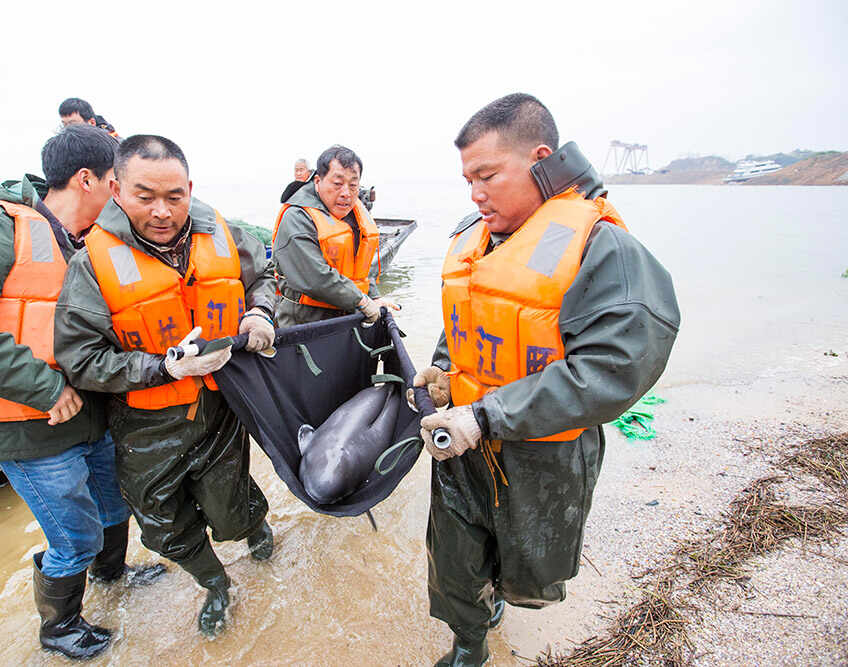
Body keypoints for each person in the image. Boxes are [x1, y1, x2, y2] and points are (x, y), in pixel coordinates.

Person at [413, 93, 681, 666]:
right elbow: (465, 318)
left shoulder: (602, 247)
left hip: (542, 457)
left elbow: (611, 368)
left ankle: (503, 601)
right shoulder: (472, 235)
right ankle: (469, 643)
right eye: (468, 180)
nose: (475, 193)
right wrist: (441, 372)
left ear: (540, 160)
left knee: (527, 570)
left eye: (487, 176)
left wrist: (487, 416)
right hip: (461, 444)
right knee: (454, 558)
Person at [0, 124, 164, 661]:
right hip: (26, 423)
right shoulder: (1, 227)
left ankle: (113, 577)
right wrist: (42, 387)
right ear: (88, 179)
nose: (123, 197)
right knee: (74, 535)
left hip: (90, 416)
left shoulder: (92, 238)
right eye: (117, 183)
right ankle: (60, 627)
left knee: (114, 505)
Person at [53, 134, 277, 638]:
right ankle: (216, 583)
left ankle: (254, 527)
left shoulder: (222, 232)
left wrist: (261, 312)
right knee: (162, 526)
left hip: (220, 409)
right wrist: (164, 368)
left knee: (230, 506)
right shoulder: (91, 263)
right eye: (145, 196)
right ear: (116, 191)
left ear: (189, 190)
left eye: (174, 197)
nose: (162, 211)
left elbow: (264, 276)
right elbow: (80, 360)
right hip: (144, 424)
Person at [271, 144, 397, 327]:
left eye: (353, 185)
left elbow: (359, 267)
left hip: (348, 316)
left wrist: (374, 297)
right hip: (306, 323)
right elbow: (315, 277)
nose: (346, 193)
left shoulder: (354, 214)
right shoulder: (296, 218)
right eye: (337, 184)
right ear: (317, 181)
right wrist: (362, 301)